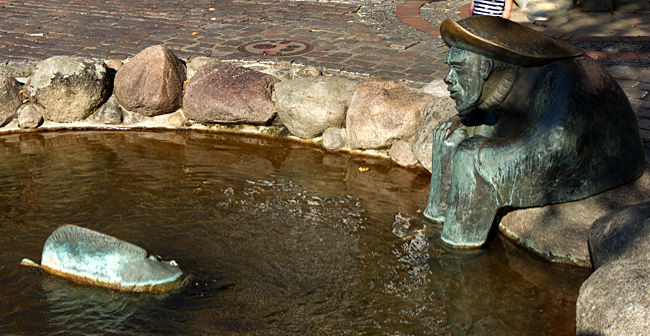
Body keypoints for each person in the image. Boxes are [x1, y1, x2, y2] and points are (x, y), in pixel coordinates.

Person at [424, 16, 645, 248]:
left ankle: (454, 258)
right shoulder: (507, 76)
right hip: (550, 139)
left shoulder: (567, 81)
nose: (448, 79)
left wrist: (479, 158)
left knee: (472, 161)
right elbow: (499, 109)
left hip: (595, 157)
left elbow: (555, 143)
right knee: (449, 137)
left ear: (487, 68)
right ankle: (432, 232)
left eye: (458, 69)